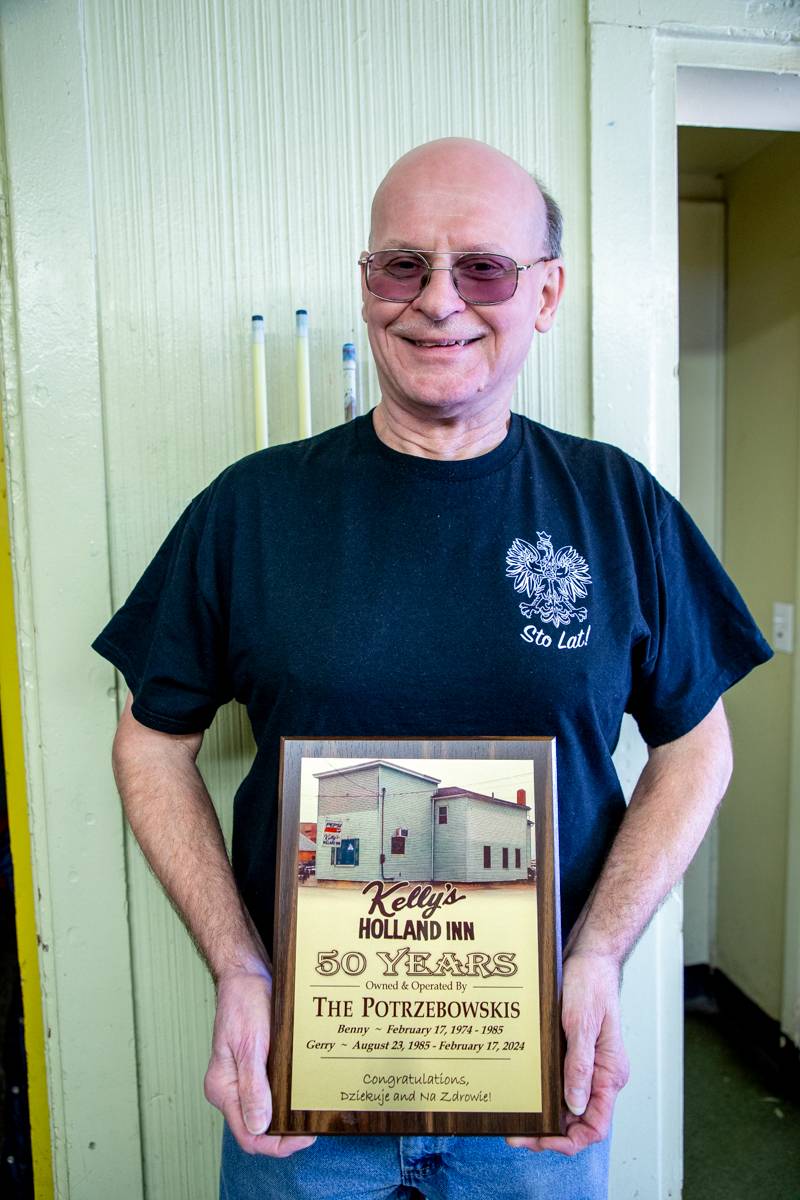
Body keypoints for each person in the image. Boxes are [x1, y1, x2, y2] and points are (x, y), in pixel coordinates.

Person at [93, 138, 772, 1199]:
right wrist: (238, 964)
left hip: (535, 1087)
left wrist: (596, 955)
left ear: (544, 293)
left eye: (483, 269)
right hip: (301, 1098)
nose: (437, 302)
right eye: (400, 266)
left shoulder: (617, 506)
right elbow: (151, 737)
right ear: (366, 284)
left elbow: (695, 748)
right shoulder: (251, 508)